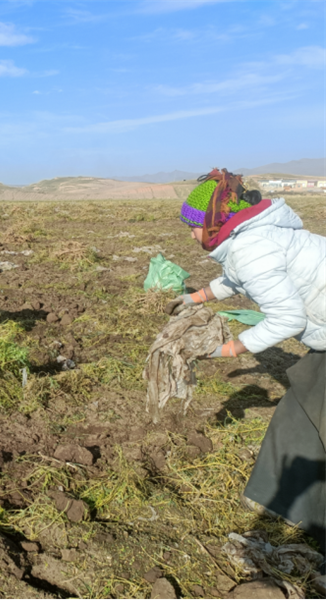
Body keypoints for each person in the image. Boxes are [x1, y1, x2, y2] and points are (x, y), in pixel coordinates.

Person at [166, 168, 326, 548]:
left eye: (193, 227)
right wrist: (194, 298)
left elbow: (288, 318)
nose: (190, 235)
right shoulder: (250, 237)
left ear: (215, 223)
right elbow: (237, 277)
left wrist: (227, 349)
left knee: (313, 406)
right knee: (302, 409)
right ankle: (289, 505)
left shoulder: (251, 247)